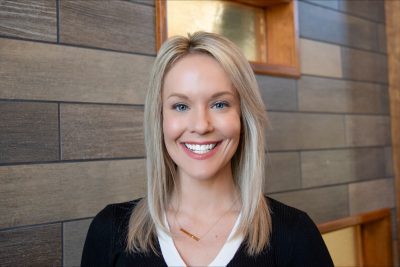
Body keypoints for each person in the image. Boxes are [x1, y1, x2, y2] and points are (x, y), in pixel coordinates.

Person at [81, 31, 334, 267]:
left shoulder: (296, 235)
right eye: (181, 106)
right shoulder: (110, 231)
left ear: (243, 118)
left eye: (220, 104)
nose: (201, 125)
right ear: (159, 119)